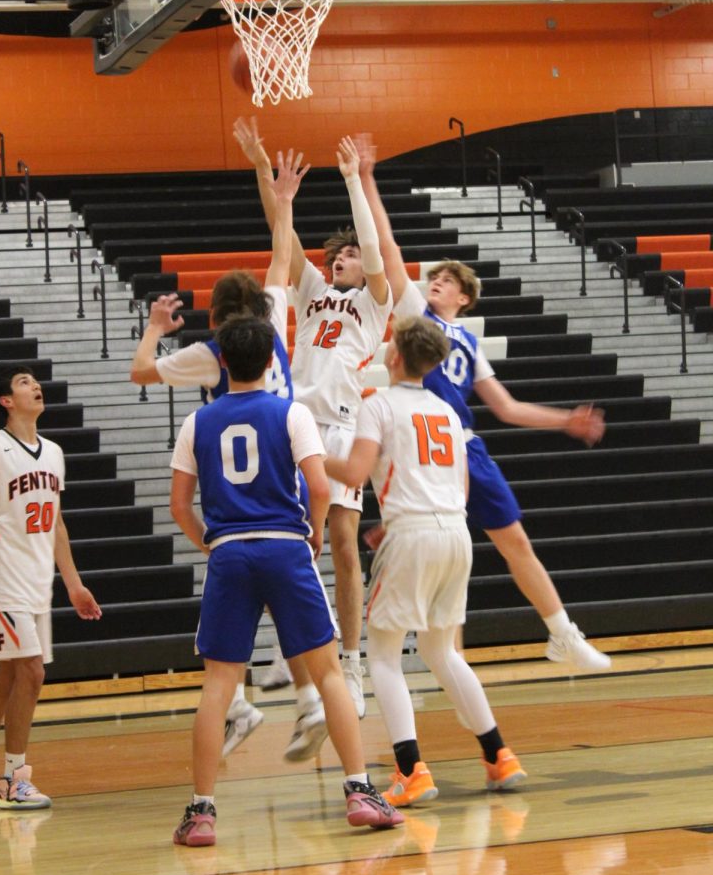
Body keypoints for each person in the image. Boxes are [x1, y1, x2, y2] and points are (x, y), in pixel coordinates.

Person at [356, 142, 611, 673]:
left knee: (512, 540)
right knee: (444, 561)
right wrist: (366, 179)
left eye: (445, 281)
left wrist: (567, 420)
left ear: (465, 298)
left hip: (463, 447)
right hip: (423, 444)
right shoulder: (414, 317)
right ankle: (427, 664)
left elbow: (508, 408)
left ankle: (562, 634)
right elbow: (387, 243)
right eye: (433, 278)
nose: (434, 283)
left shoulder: (466, 344)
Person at [168, 315, 404, 846]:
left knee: (219, 685)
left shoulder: (197, 422)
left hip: (230, 554)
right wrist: (314, 533)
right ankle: (360, 791)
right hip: (285, 547)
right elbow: (320, 487)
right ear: (273, 361)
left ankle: (201, 812)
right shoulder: (291, 412)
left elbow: (179, 505)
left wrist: (211, 540)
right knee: (328, 675)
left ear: (221, 363)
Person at [130, 150, 329, 762]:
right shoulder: (276, 317)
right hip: (288, 466)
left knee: (232, 606)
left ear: (214, 314)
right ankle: (305, 699)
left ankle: (246, 705)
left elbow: (139, 372)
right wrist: (284, 194)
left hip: (237, 486)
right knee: (283, 597)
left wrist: (156, 325)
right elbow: (279, 254)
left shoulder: (212, 352)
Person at [325, 316, 527, 801]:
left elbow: (353, 471)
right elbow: (456, 487)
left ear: (393, 355)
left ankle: (411, 768)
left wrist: (307, 454)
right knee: (441, 651)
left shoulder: (380, 407)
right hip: (454, 532)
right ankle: (499, 755)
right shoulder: (447, 410)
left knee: (385, 656)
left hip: (413, 535)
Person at [235, 118, 393, 717]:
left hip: (345, 425)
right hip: (295, 422)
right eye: (342, 253)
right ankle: (295, 650)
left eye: (355, 253)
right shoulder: (312, 290)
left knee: (345, 544)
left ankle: (350, 665)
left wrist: (353, 180)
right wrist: (263, 171)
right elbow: (282, 232)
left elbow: (377, 249)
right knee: (295, 541)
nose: (350, 257)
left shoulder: (372, 306)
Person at [0, 366, 102, 811]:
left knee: (10, 676)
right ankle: (14, 778)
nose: (35, 386)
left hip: (36, 586)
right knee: (31, 672)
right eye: (24, 382)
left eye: (35, 381)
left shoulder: (53, 452)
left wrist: (74, 583)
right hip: (2, 581)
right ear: (6, 401)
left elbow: (57, 523)